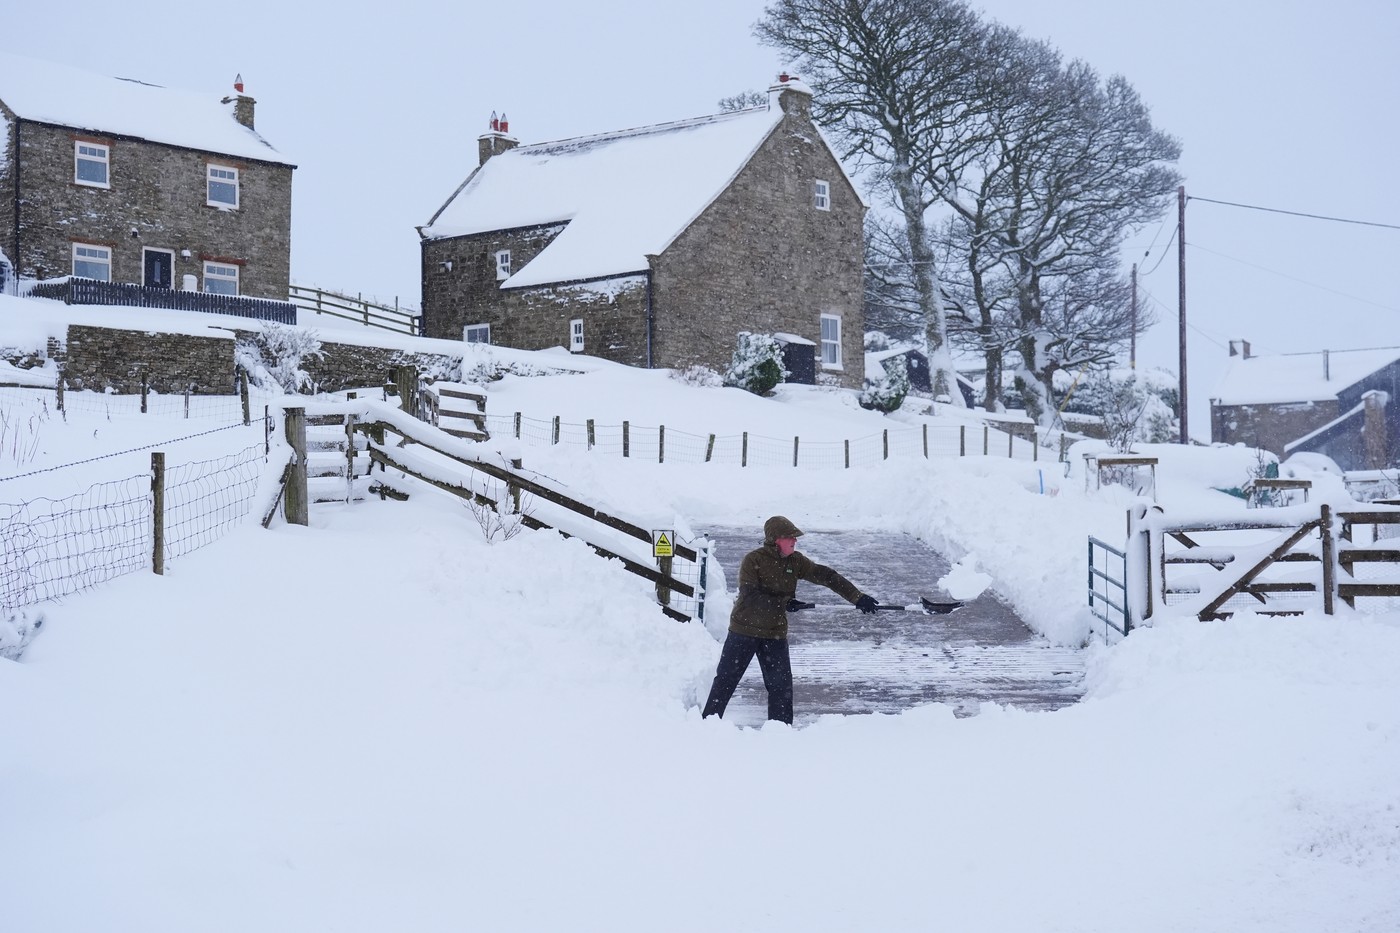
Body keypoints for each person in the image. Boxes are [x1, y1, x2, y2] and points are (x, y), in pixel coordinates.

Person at [701, 516, 879, 725]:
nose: (794, 541)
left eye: (795, 537)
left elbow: (826, 575)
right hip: (744, 631)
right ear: (775, 539)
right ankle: (705, 727)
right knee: (725, 681)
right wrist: (784, 603)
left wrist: (857, 597)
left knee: (781, 688)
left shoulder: (795, 561)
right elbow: (750, 596)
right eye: (789, 537)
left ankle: (781, 734)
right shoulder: (753, 560)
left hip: (773, 634)